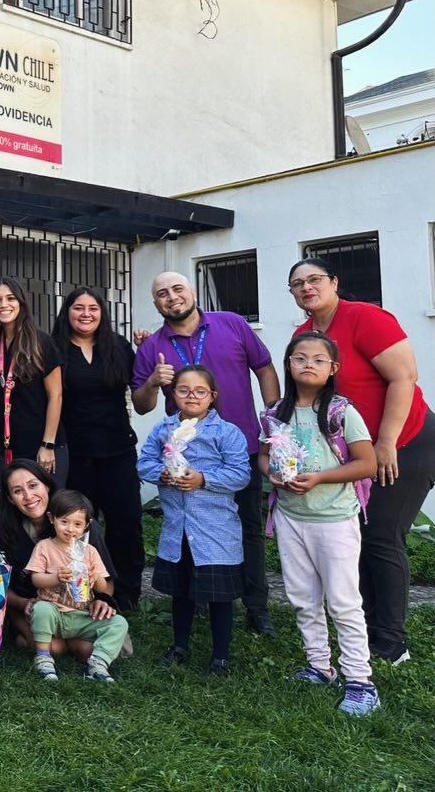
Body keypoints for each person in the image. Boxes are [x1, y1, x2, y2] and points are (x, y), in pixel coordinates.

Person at [289, 257, 435, 665]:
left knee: (382, 537)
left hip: (406, 441)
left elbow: (404, 377)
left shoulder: (365, 317)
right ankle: (369, 631)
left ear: (334, 282)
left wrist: (386, 441)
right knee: (359, 539)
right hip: (359, 452)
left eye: (314, 279)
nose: (306, 287)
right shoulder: (305, 334)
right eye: (297, 284)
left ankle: (392, 644)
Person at [132, 271, 281, 638]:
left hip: (240, 446)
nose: (172, 297)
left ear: (193, 292)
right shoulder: (152, 347)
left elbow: (264, 368)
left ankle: (256, 607)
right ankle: (200, 597)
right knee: (189, 527)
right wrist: (153, 381)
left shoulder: (231, 323)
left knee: (247, 529)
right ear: (156, 304)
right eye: (162, 293)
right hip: (187, 458)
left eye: (177, 289)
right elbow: (140, 404)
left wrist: (273, 418)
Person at [258, 332, 380, 716]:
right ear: (288, 364)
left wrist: (319, 478)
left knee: (343, 602)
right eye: (299, 358)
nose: (308, 364)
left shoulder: (342, 412)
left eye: (317, 359)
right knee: (302, 598)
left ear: (333, 370)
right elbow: (263, 456)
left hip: (334, 519)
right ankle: (319, 665)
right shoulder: (276, 413)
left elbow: (366, 464)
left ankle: (360, 680)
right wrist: (272, 474)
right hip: (292, 518)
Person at [137, 366, 251, 675]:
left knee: (219, 596)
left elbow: (240, 474)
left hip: (216, 530)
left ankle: (221, 655)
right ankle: (180, 645)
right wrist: (159, 473)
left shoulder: (226, 432)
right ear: (173, 395)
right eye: (184, 390)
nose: (192, 396)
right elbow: (144, 462)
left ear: (212, 397)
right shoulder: (164, 430)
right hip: (178, 530)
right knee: (181, 590)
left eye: (200, 391)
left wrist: (203, 479)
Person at [52, 288, 143, 610]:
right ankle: (84, 591)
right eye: (79, 308)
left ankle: (127, 591)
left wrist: (147, 360)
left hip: (118, 450)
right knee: (77, 527)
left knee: (126, 523)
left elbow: (142, 397)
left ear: (102, 313)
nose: (86, 314)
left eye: (93, 308)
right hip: (75, 453)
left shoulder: (118, 346)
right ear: (68, 312)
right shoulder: (55, 349)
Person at [0, 459, 120, 659]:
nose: (28, 496)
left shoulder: (77, 524)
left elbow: (106, 578)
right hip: (30, 605)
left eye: (33, 486)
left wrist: (103, 599)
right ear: (9, 498)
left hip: (77, 607)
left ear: (47, 485)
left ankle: (68, 638)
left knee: (87, 651)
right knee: (54, 648)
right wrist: (22, 603)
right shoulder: (2, 531)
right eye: (17, 491)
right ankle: (25, 632)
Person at [26, 490, 129, 683]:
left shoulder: (89, 551)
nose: (70, 529)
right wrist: (56, 578)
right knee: (41, 609)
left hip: (82, 615)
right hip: (55, 614)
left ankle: (98, 662)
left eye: (78, 524)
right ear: (51, 519)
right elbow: (36, 579)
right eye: (64, 521)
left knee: (119, 623)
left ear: (86, 526)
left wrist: (94, 575)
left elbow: (101, 587)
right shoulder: (45, 547)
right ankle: (42, 656)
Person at [0, 278, 64, 475]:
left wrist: (48, 444)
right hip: (6, 447)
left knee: (45, 504)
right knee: (13, 504)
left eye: (10, 298)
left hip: (41, 448)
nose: (3, 305)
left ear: (21, 303)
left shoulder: (41, 341)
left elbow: (56, 396)